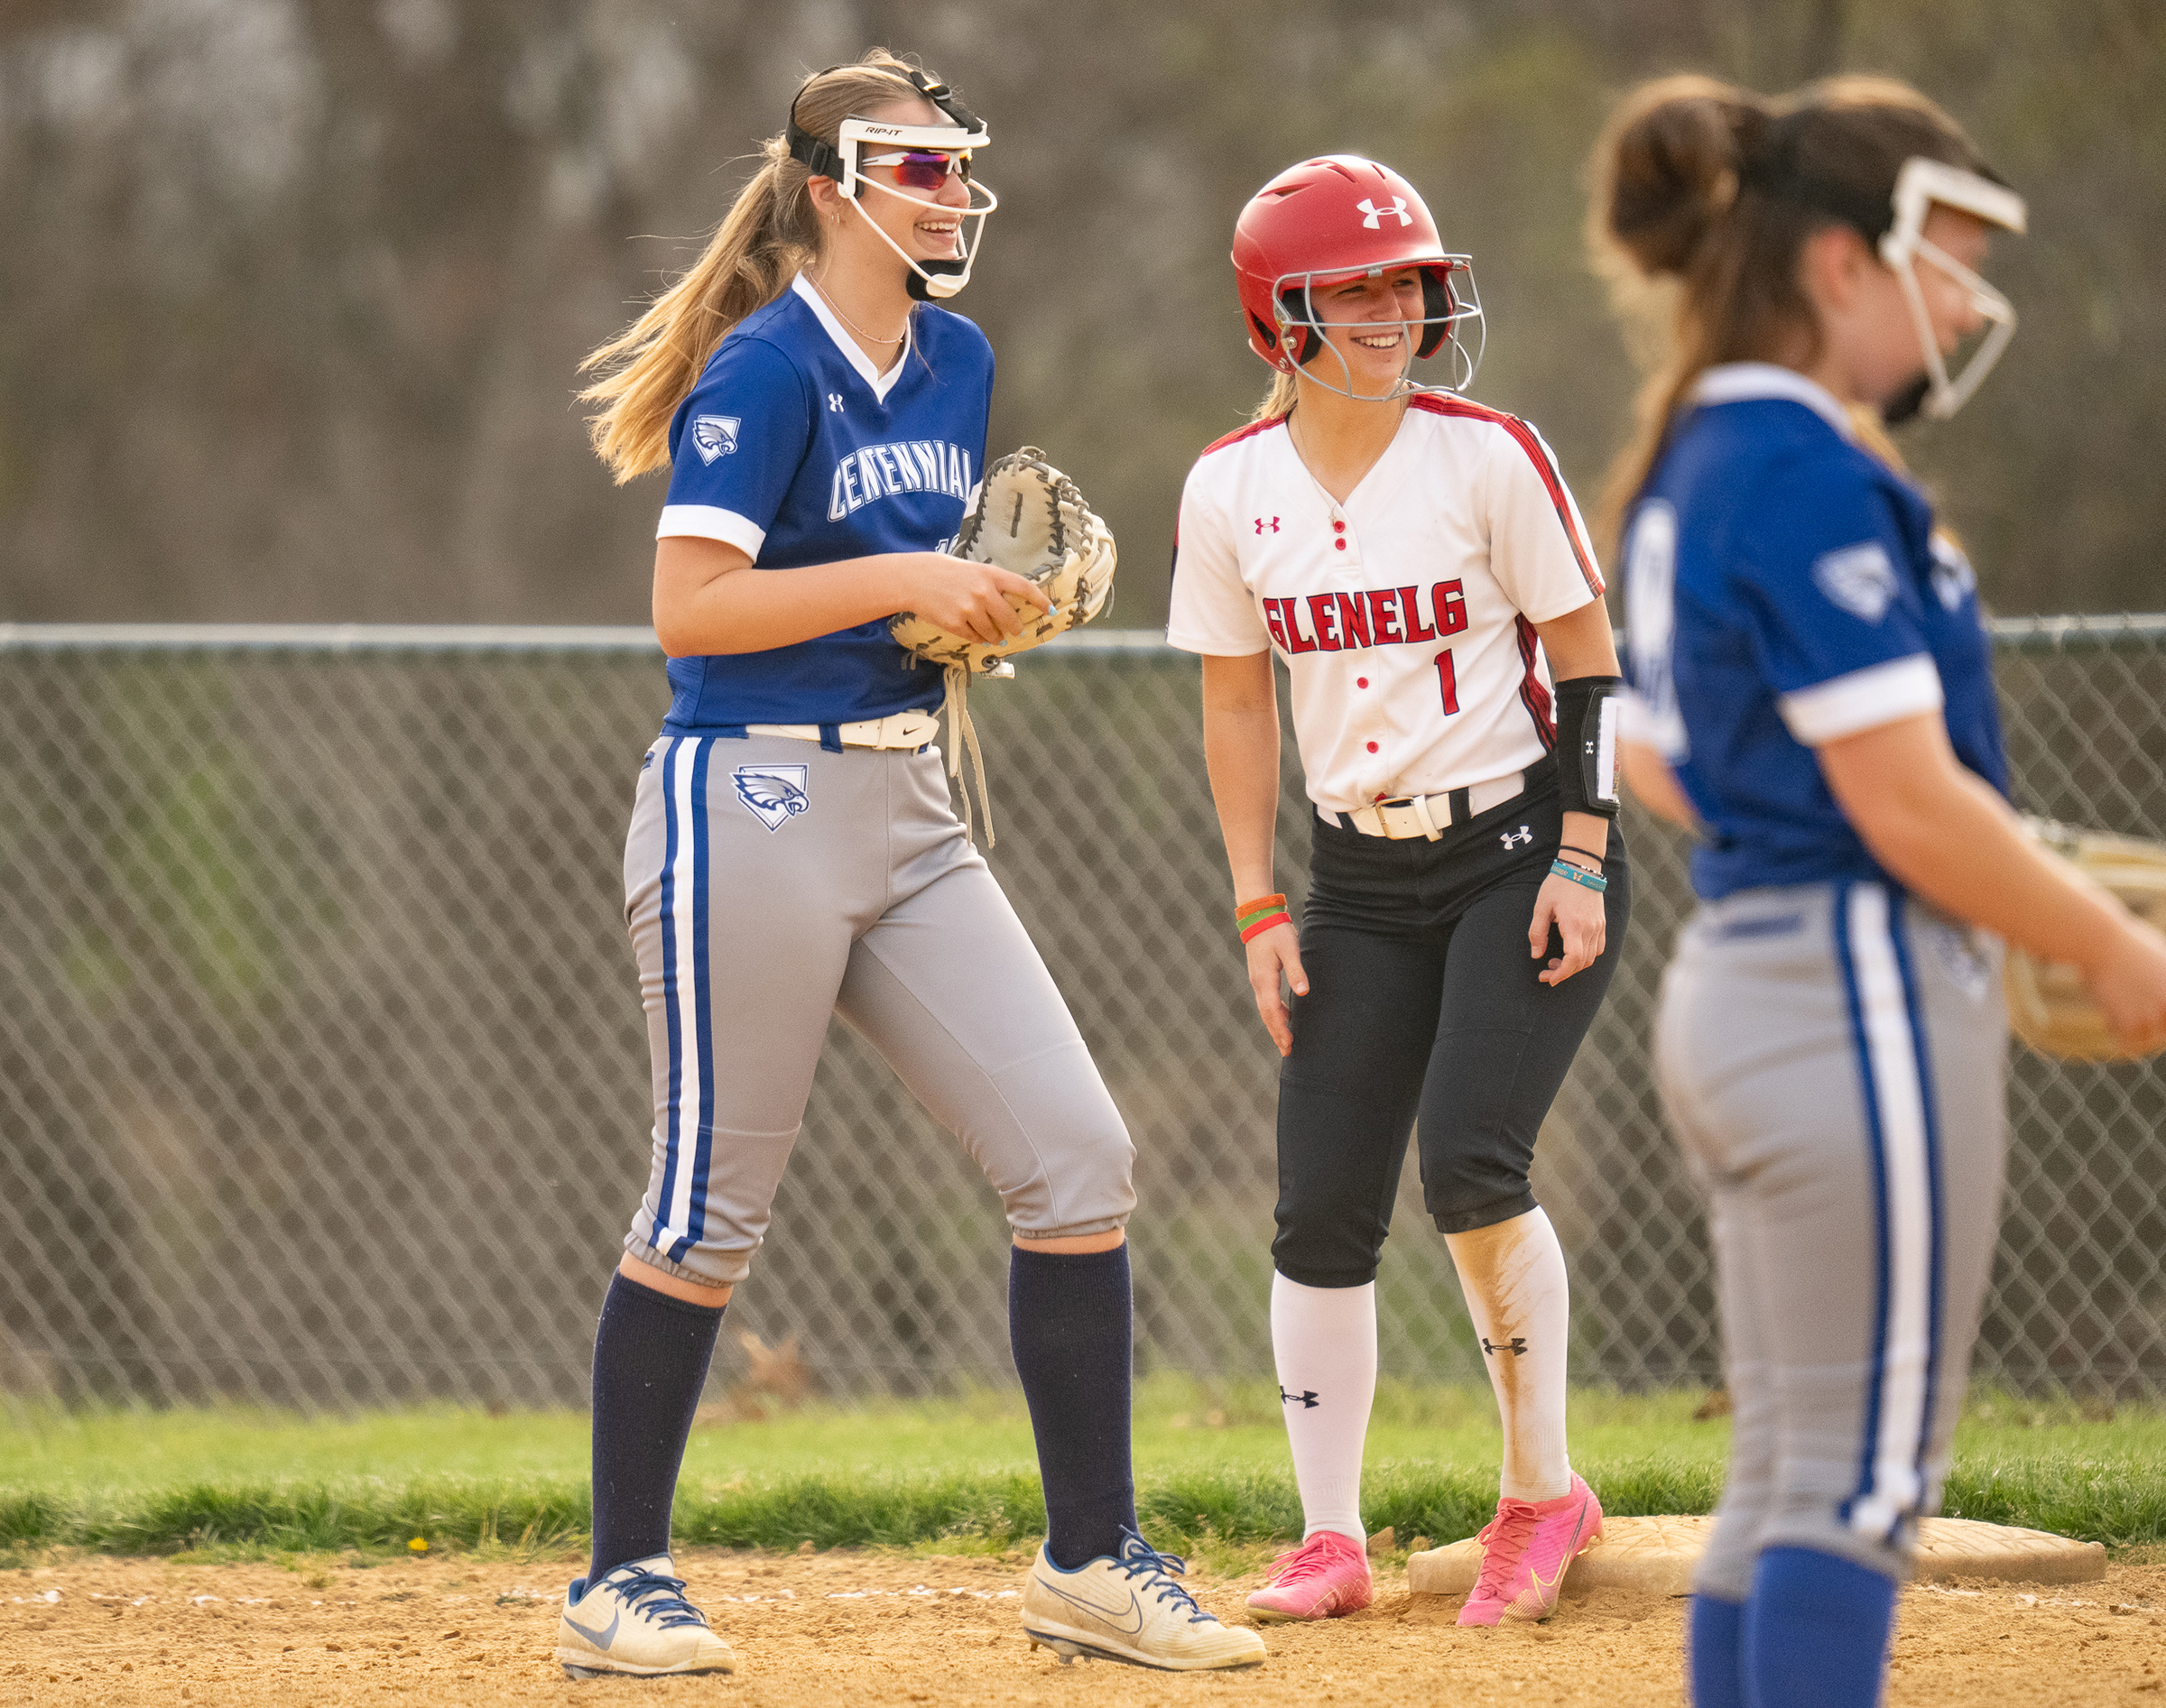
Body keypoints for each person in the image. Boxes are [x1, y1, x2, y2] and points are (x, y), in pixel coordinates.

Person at [559, 51, 1265, 1678]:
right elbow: (693, 613)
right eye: (918, 166)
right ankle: (620, 1576)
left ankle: (1091, 1557)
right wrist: (902, 571)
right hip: (753, 799)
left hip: (910, 800)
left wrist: (969, 610)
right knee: (707, 1207)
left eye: (958, 164)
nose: (951, 190)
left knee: (1079, 1157)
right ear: (832, 185)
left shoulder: (957, 358)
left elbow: (897, 594)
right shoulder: (762, 371)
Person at [1588, 74, 2166, 1708]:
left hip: (1755, 980)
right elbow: (1906, 801)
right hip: (1855, 990)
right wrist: (2111, 940)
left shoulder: (1701, 454)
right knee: (1857, 1489)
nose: (1972, 299)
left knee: (1785, 1476)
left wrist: (2003, 864)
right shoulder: (1796, 465)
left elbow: (1672, 760)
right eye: (1948, 254)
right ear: (1839, 262)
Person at [1167, 154, 1632, 1629]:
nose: (1393, 308)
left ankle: (1542, 1494)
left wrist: (1586, 851)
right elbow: (1237, 707)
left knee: (1473, 1163)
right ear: (1276, 318)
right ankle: (1329, 1538)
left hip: (1517, 852)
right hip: (1354, 877)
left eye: (1408, 282)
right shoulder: (1230, 489)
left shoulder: (1487, 452)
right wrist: (1255, 906)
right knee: (1318, 1206)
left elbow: (1588, 668)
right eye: (1352, 287)